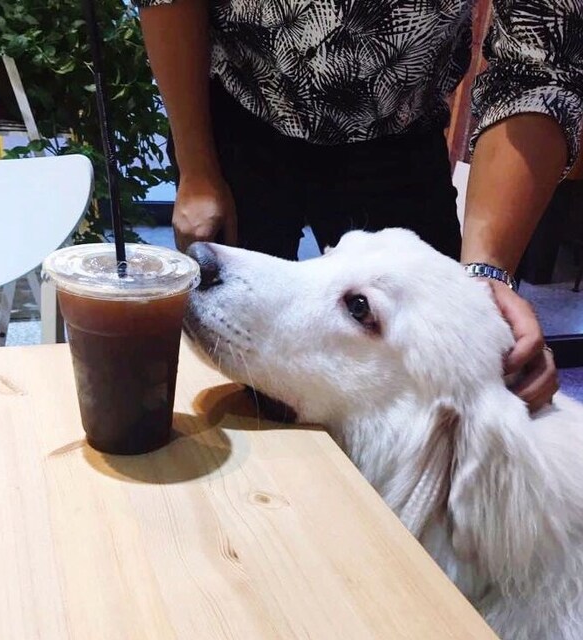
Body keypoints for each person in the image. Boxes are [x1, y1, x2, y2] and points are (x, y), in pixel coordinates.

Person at [134, 0, 582, 411]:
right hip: (242, 108)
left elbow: (540, 65)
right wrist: (196, 167)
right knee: (231, 362)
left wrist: (484, 277)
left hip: (398, 131)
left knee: (431, 384)